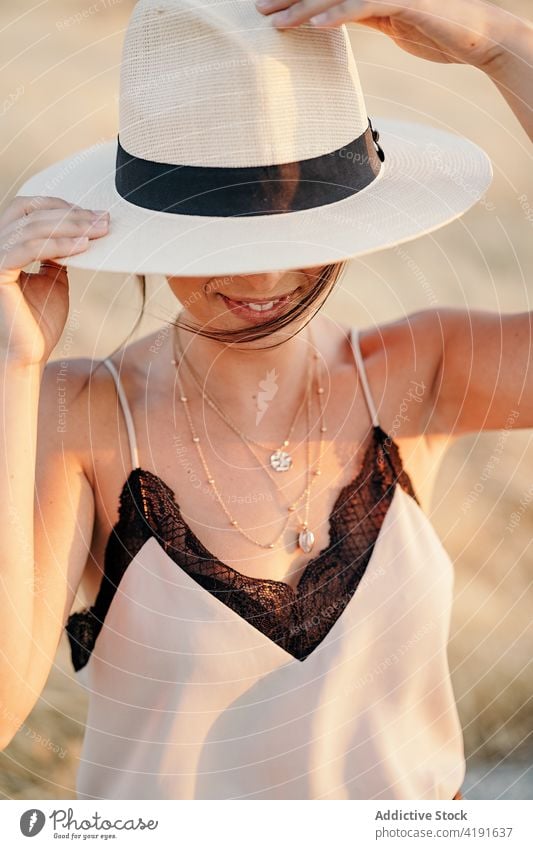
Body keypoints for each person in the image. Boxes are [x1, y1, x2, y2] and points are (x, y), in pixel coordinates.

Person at [0, 0, 530, 800]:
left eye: (295, 232)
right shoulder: (78, 414)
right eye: (220, 236)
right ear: (151, 223)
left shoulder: (419, 370)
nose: (260, 279)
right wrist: (11, 364)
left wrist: (503, 45)